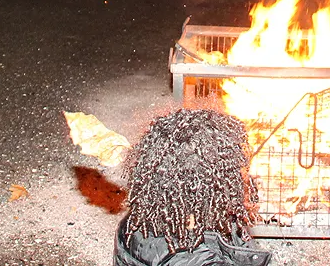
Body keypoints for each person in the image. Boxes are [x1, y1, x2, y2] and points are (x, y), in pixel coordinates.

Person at [115, 109, 268, 266]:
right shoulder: (203, 260)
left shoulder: (141, 222)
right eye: (231, 171)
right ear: (209, 189)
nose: (240, 175)